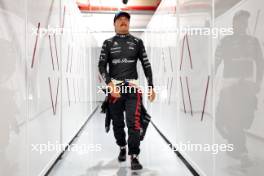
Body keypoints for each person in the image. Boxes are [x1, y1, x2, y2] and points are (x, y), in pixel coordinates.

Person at [98, 11, 155, 170]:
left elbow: (146, 65)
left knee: (134, 122)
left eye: (126, 19)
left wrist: (151, 87)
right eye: (120, 19)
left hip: (133, 89)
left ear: (129, 23)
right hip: (114, 89)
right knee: (117, 123)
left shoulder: (137, 42)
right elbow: (101, 65)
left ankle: (134, 155)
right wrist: (110, 85)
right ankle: (122, 147)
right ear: (114, 24)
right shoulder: (107, 43)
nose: (123, 21)